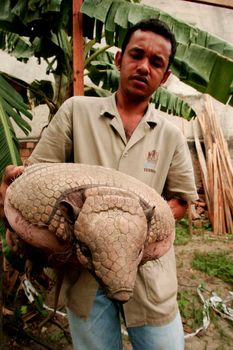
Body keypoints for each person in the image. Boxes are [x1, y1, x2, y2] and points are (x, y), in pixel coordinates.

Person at [0, 19, 198, 349]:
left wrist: (132, 233)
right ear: (119, 59)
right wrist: (19, 186)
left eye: (156, 62)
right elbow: (39, 173)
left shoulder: (171, 135)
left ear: (165, 77)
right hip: (83, 270)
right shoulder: (76, 111)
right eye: (137, 55)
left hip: (148, 275)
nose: (144, 67)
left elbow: (181, 200)